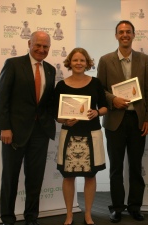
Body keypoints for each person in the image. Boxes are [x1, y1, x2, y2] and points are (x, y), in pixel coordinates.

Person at [0, 31, 56, 225]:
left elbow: (47, 103)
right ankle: (7, 218)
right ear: (29, 43)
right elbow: (2, 98)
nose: (41, 49)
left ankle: (31, 217)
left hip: (40, 133)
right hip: (13, 133)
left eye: (45, 46)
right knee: (10, 178)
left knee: (35, 178)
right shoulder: (13, 64)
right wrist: (4, 127)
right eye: (38, 45)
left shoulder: (50, 70)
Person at [97, 20, 148, 223]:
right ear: (116, 35)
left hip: (138, 120)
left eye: (128, 32)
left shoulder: (144, 60)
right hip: (115, 121)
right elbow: (100, 91)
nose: (124, 35)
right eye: (121, 32)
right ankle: (117, 207)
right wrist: (113, 100)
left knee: (136, 167)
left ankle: (135, 206)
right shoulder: (105, 60)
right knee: (116, 168)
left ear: (133, 34)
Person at [55, 48, 108, 225]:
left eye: (82, 60)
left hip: (91, 134)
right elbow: (57, 115)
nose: (79, 63)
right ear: (70, 62)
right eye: (75, 60)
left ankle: (88, 214)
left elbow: (105, 107)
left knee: (90, 176)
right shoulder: (61, 85)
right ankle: (69, 214)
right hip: (69, 134)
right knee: (68, 176)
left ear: (88, 63)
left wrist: (96, 112)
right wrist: (64, 120)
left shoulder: (96, 83)